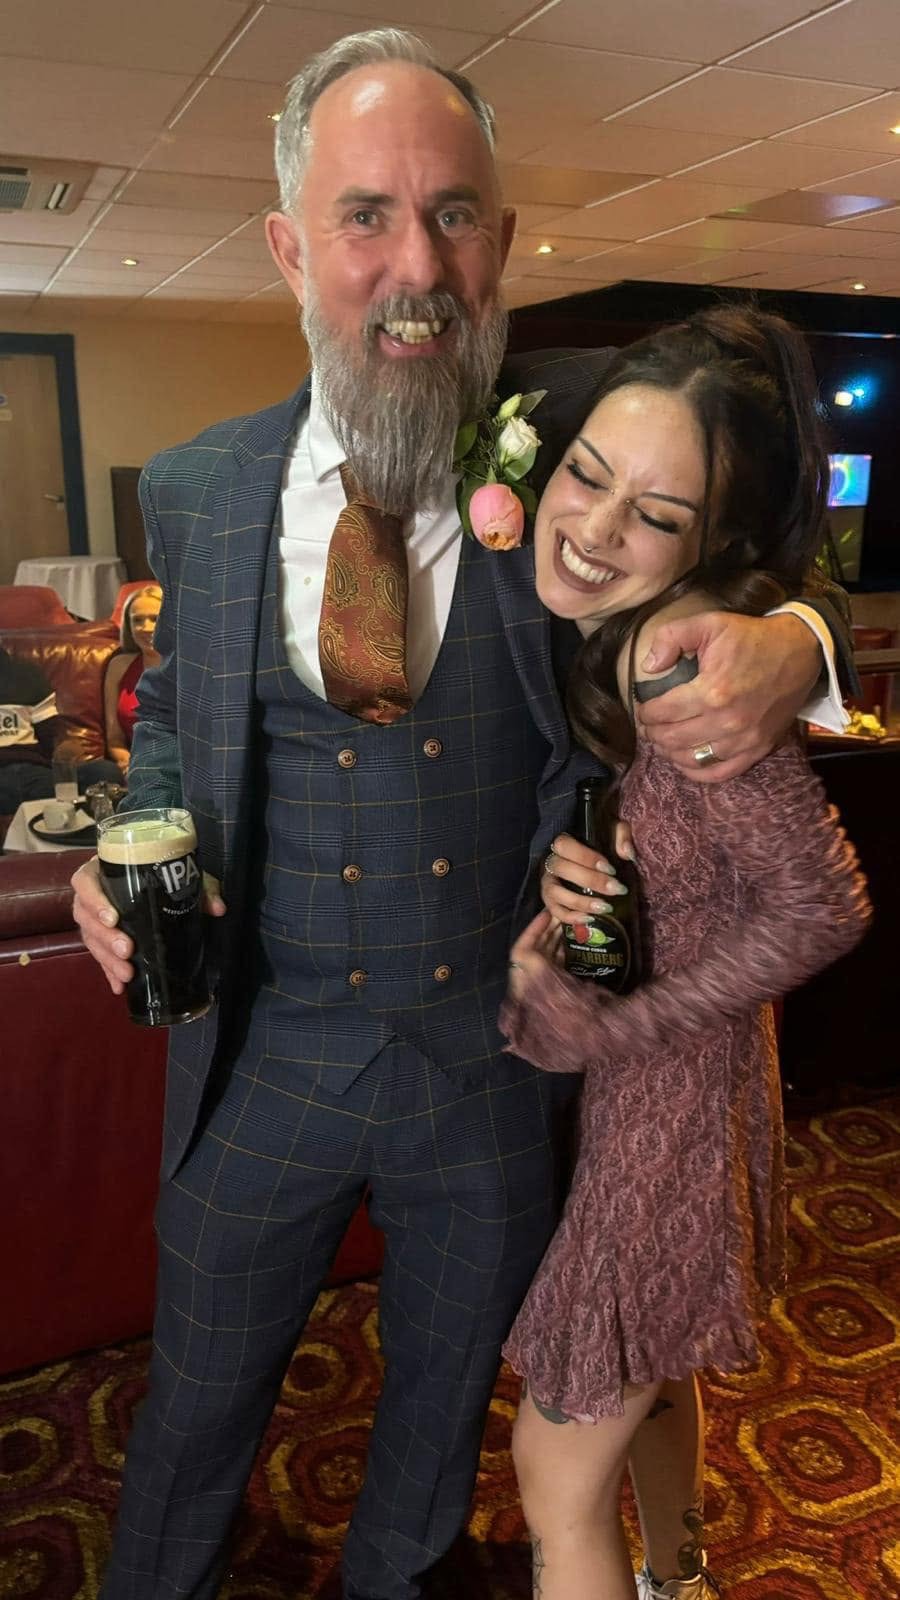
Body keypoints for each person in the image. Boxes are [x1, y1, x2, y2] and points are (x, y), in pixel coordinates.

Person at [70, 30, 857, 1600]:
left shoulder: (577, 438)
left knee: (436, 1435)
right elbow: (175, 722)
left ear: (500, 239)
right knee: (191, 1420)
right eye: (365, 215)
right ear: (292, 247)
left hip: (486, 1074)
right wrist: (127, 842)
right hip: (264, 1062)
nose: (415, 266)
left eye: (451, 217)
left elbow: (758, 526)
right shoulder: (199, 488)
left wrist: (799, 643)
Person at [499, 306, 872, 1600]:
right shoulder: (633, 627)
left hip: (670, 1113)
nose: (596, 528)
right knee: (649, 1381)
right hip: (669, 1100)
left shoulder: (683, 663)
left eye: (655, 516)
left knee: (554, 1475)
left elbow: (825, 906)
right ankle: (681, 1577)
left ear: (712, 542)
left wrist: (621, 1023)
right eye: (586, 475)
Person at [0, 644, 122, 815]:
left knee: (105, 771)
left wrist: (64, 748)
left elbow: (50, 736)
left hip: (37, 774)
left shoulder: (26, 675)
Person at [103, 583, 163, 774]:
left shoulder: (191, 665)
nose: (146, 628)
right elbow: (114, 740)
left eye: (155, 619)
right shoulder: (118, 666)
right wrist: (129, 763)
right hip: (137, 767)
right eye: (137, 620)